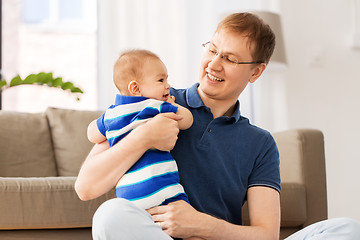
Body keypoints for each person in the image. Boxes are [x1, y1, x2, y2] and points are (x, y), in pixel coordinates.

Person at [75, 12, 360, 240]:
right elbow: (86, 188)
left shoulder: (260, 143)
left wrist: (200, 225)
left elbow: (266, 234)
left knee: (347, 230)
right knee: (110, 215)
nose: (214, 64)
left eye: (230, 58)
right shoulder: (154, 104)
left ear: (256, 71)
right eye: (212, 49)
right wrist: (145, 136)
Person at [86, 49, 193, 210]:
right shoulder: (153, 105)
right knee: (186, 223)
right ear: (135, 88)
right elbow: (187, 120)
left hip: (130, 198)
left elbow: (92, 134)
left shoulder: (111, 115)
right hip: (163, 188)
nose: (168, 85)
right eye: (161, 80)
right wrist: (174, 105)